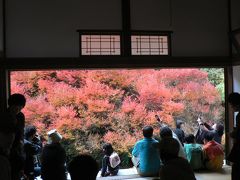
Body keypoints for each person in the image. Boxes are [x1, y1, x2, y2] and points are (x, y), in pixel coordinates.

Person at [0, 93, 26, 180]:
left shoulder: (21, 116)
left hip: (17, 148)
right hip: (5, 148)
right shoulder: (4, 116)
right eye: (15, 106)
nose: (17, 109)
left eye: (20, 107)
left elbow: (21, 132)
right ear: (10, 105)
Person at [227, 92, 240, 180]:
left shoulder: (239, 116)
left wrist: (231, 134)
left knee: (237, 172)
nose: (231, 107)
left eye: (231, 105)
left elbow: (238, 133)